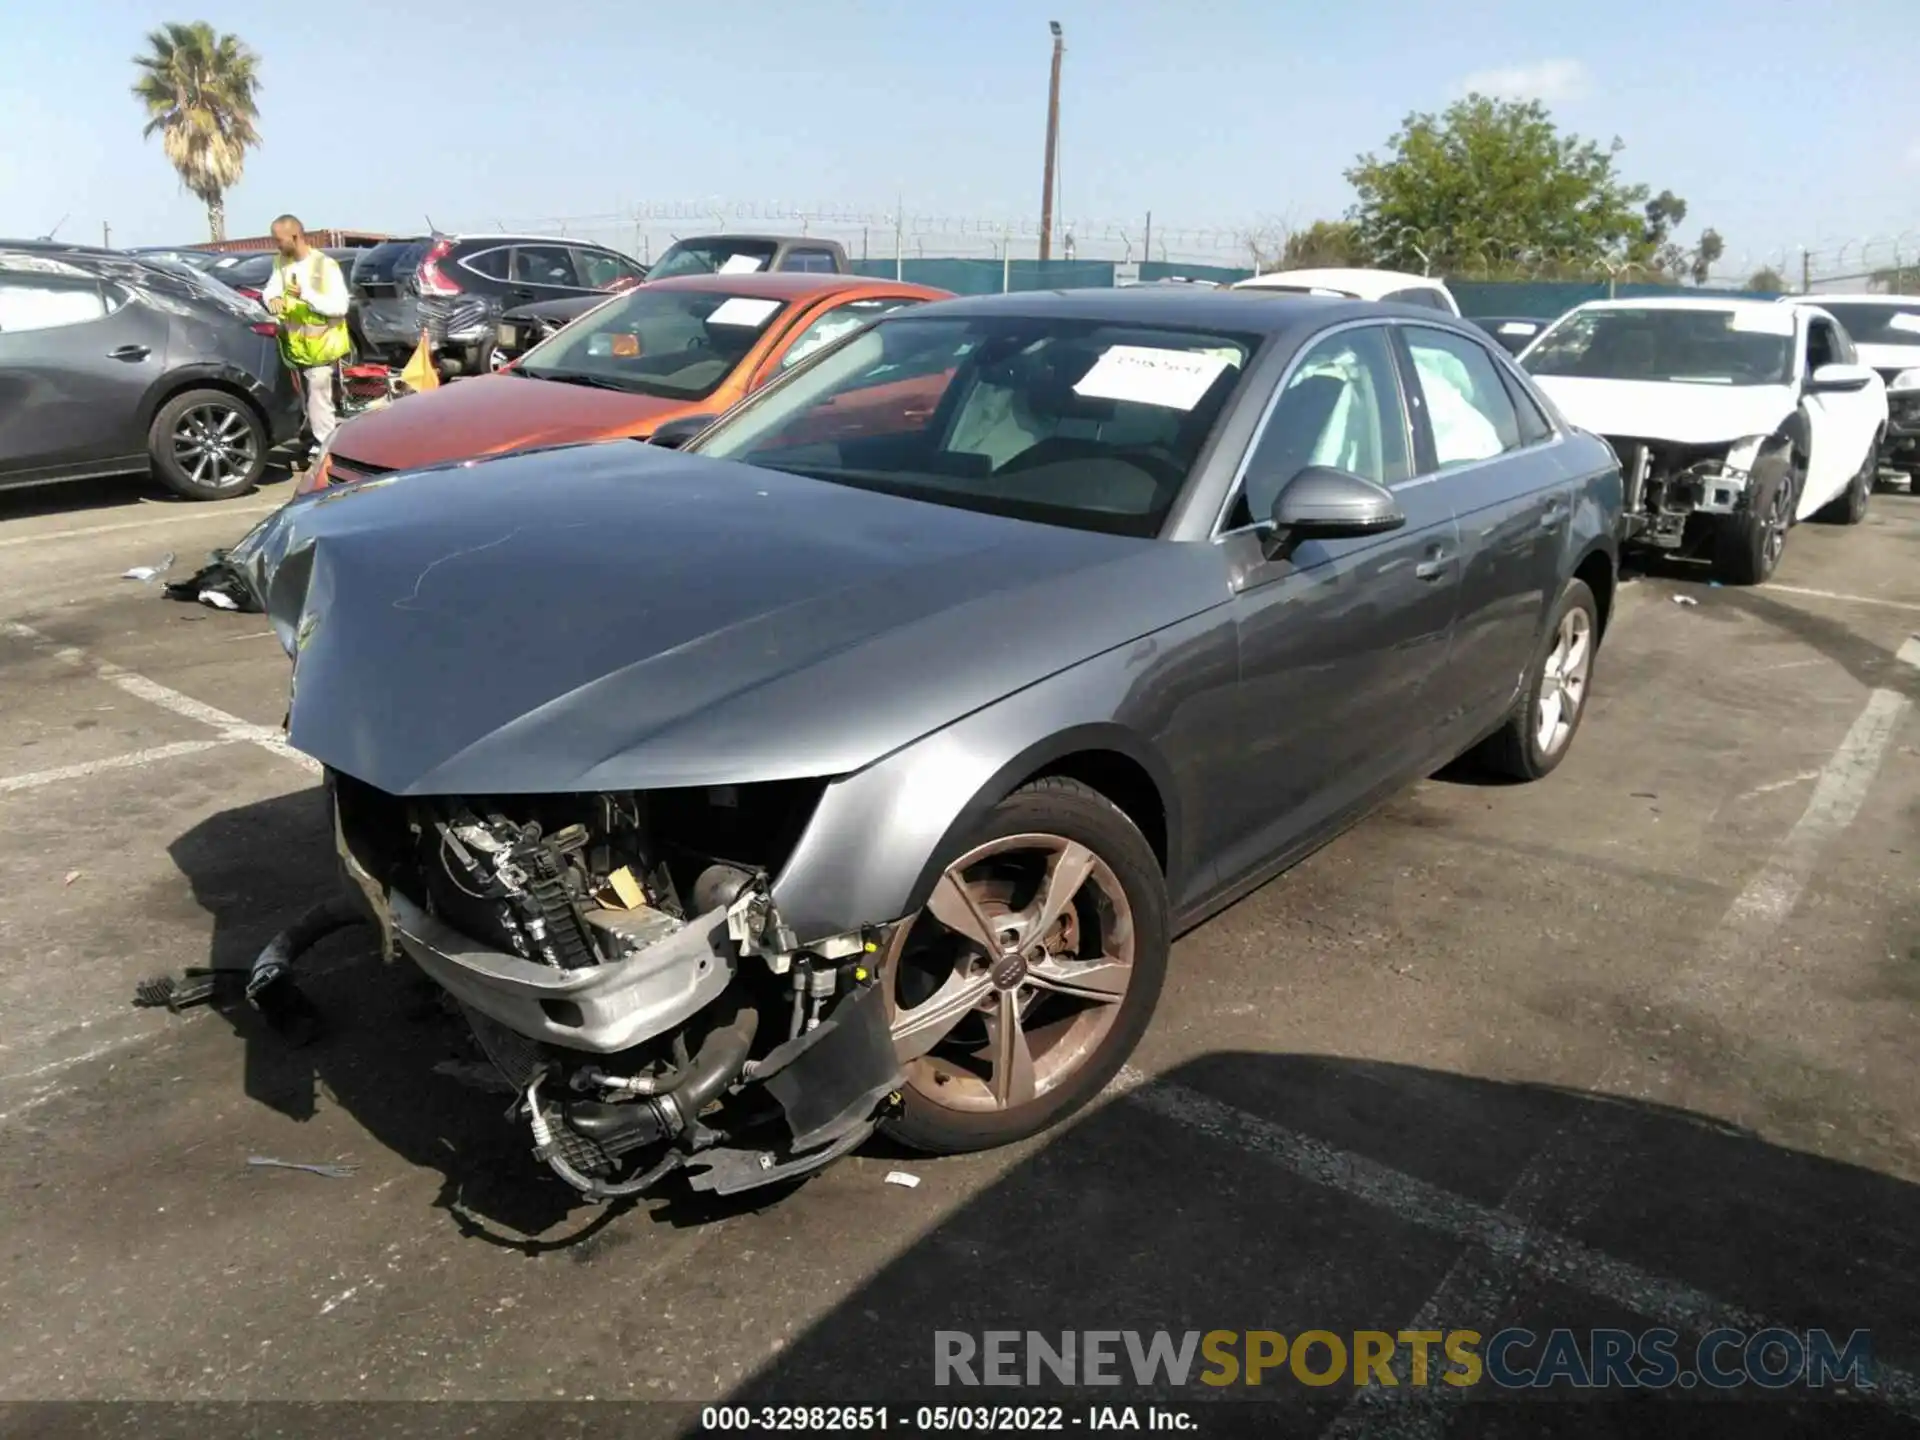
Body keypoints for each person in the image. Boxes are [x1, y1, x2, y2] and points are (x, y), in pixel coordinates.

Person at [260, 214, 352, 456]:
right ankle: (311, 440)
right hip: (296, 347)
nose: (276, 245)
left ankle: (325, 449)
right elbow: (270, 289)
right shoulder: (281, 262)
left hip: (322, 345)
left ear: (295, 236)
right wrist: (273, 299)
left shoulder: (325, 266)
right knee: (306, 400)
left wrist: (306, 295)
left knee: (319, 398)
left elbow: (339, 307)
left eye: (278, 240)